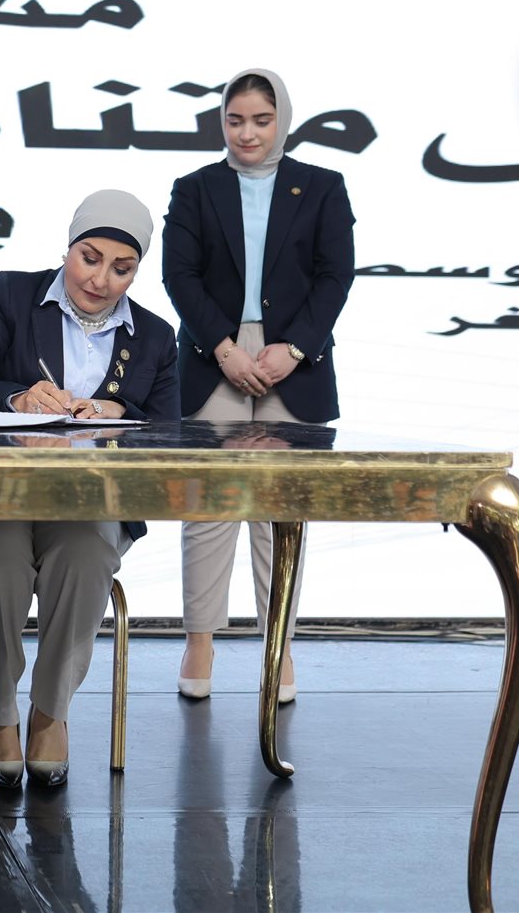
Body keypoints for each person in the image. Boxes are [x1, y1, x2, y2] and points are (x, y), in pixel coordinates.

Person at [0, 190, 179, 787]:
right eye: (90, 258)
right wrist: (16, 398)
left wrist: (118, 411)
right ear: (68, 248)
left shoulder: (156, 337)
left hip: (86, 504)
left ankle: (51, 710)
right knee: (0, 546)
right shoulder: (12, 295)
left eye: (122, 268)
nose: (101, 279)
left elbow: (169, 434)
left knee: (86, 551)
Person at [161, 68, 356, 703]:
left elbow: (335, 276)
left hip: (293, 360)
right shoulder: (195, 188)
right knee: (208, 509)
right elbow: (179, 275)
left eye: (261, 121)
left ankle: (281, 649)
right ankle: (199, 642)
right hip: (213, 354)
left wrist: (294, 348)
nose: (247, 133)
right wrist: (222, 347)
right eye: (235, 120)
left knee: (281, 514)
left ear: (283, 121)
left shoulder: (323, 187)